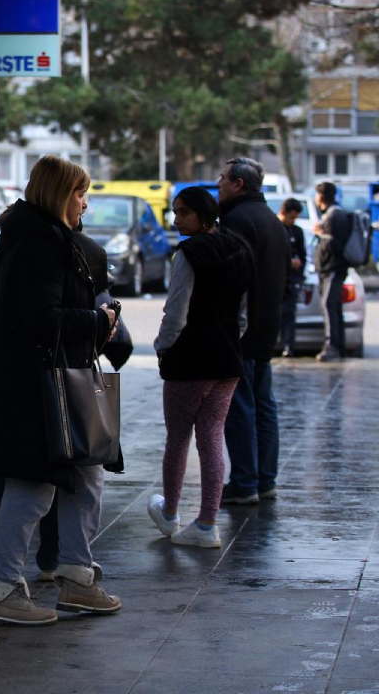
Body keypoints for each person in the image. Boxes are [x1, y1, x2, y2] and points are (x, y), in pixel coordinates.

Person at [0, 155, 122, 627]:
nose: (85, 203)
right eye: (80, 193)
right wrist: (100, 321)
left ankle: (77, 578)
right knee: (33, 487)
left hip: (51, 379)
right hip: (35, 385)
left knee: (87, 476)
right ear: (60, 194)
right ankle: (3, 586)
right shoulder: (42, 242)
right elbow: (42, 316)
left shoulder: (29, 235)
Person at [147, 188, 251, 549]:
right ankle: (207, 524)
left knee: (178, 439)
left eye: (183, 213)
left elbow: (177, 310)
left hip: (190, 360)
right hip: (227, 360)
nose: (176, 220)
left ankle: (170, 513)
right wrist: (229, 340)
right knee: (211, 438)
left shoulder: (188, 253)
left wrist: (163, 347)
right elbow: (242, 314)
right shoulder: (239, 249)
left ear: (203, 215)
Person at [217, 158, 289, 505]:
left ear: (238, 185)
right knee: (264, 404)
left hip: (242, 331)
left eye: (222, 179)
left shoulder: (236, 221)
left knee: (240, 405)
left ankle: (245, 482)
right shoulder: (272, 220)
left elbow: (232, 279)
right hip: (268, 326)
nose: (218, 184)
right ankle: (265, 479)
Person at [313, 182, 351, 362]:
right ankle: (339, 345)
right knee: (333, 305)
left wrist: (321, 233)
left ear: (320, 197)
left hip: (334, 268)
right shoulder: (330, 215)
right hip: (327, 269)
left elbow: (337, 246)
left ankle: (332, 346)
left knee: (329, 305)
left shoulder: (336, 216)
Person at [278, 198, 306, 357]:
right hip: (277, 278)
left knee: (289, 312)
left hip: (292, 279)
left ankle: (288, 345)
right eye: (291, 217)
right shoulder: (275, 229)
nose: (292, 221)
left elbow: (303, 255)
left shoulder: (297, 231)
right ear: (283, 213)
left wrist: (299, 275)